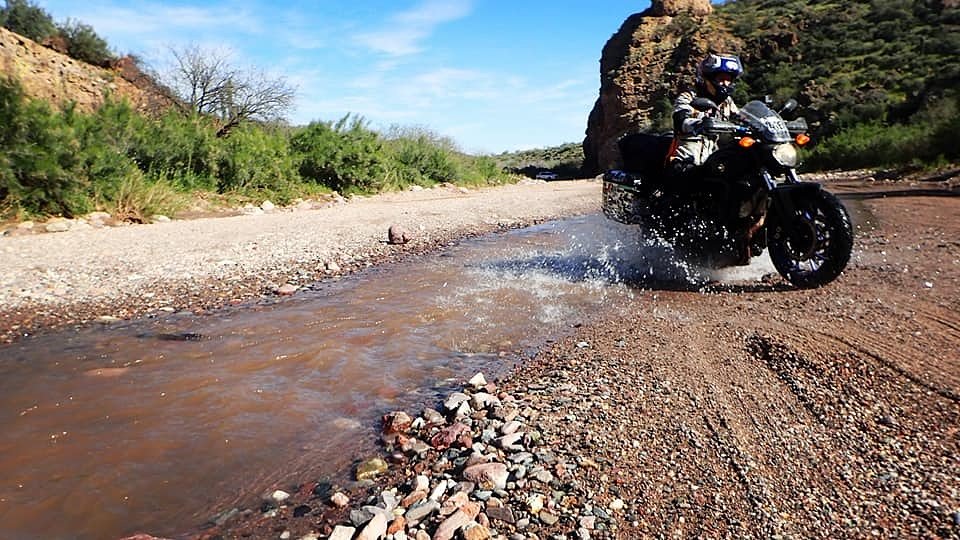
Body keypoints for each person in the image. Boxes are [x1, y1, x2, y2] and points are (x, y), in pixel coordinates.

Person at [668, 53, 744, 176]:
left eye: (729, 79)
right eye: (721, 79)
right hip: (687, 158)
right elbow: (680, 120)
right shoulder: (689, 97)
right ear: (707, 78)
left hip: (713, 159)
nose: (725, 83)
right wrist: (699, 124)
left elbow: (740, 117)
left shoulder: (727, 102)